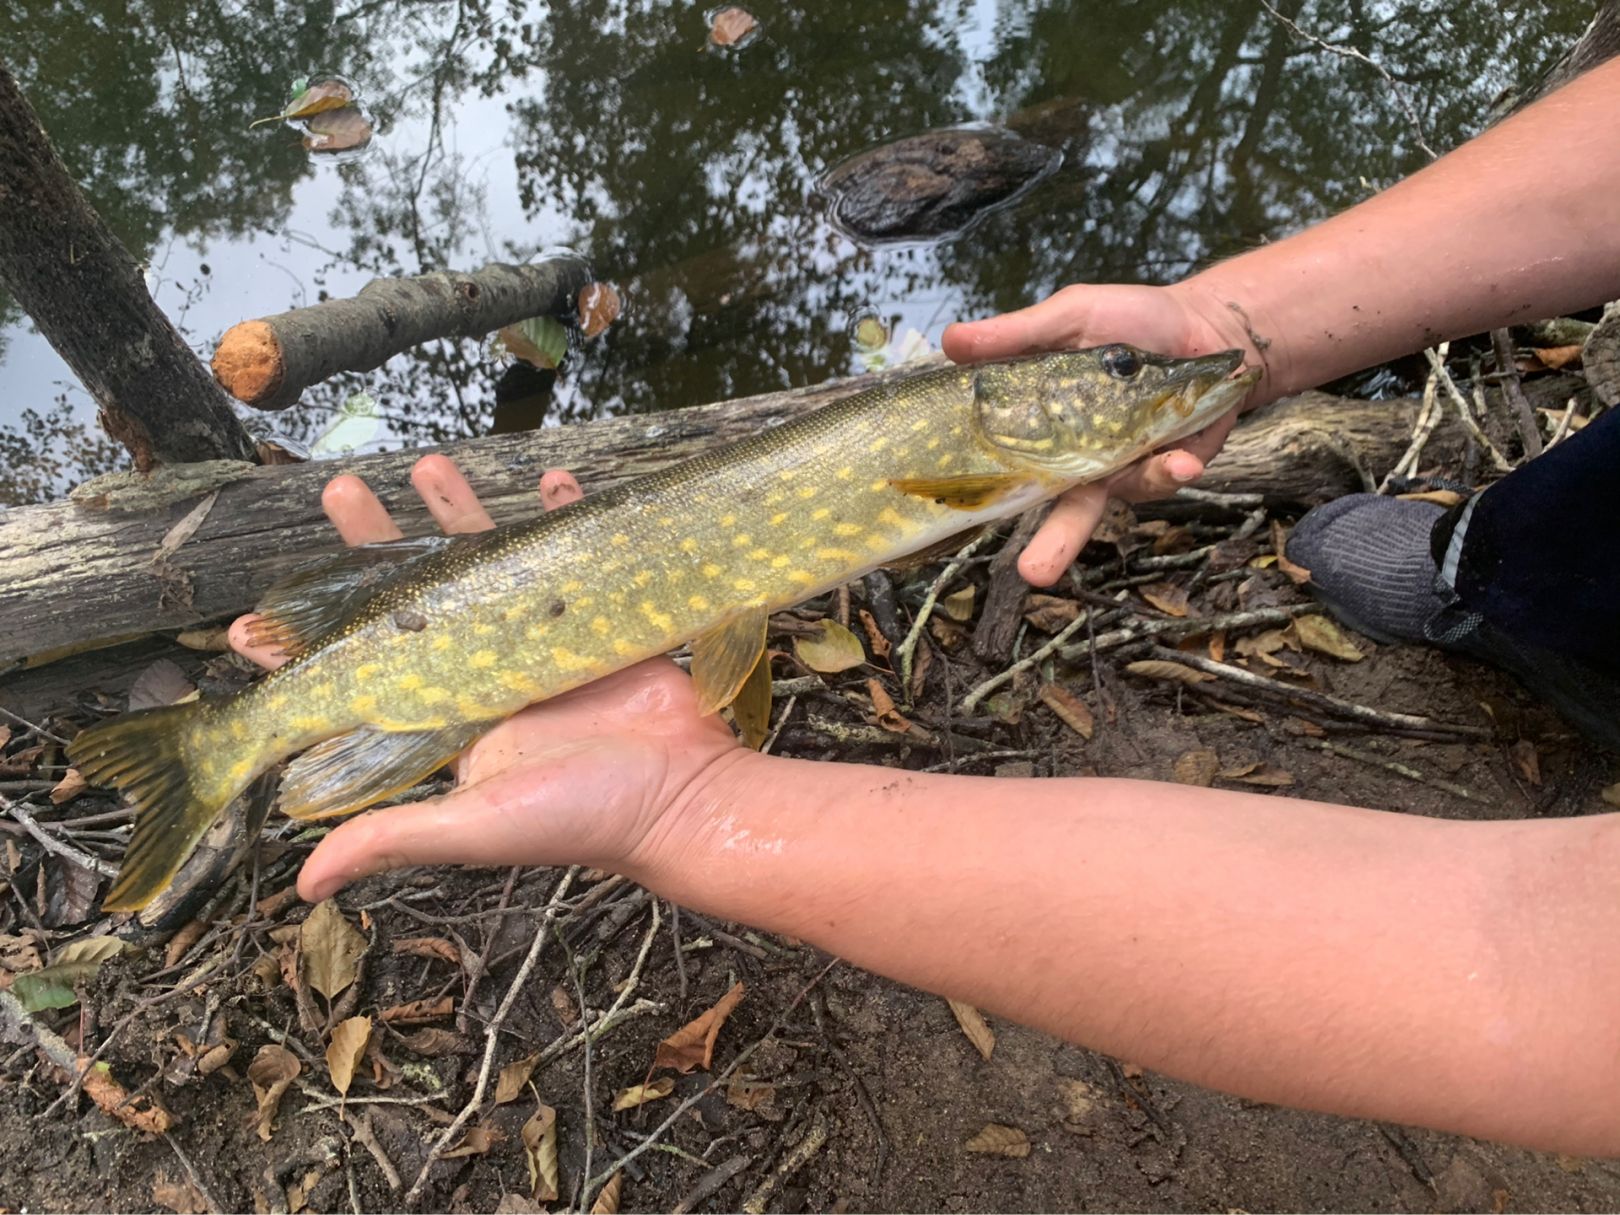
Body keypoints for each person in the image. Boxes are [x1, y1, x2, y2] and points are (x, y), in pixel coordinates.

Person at [230, 58, 1620, 1155]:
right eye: (1122, 392)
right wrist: (1233, 319)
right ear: (1026, 409)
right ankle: (1496, 576)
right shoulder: (988, 429)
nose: (1147, 394)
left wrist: (689, 809)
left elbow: (1529, 966)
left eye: (1133, 390)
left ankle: (1512, 587)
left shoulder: (994, 444)